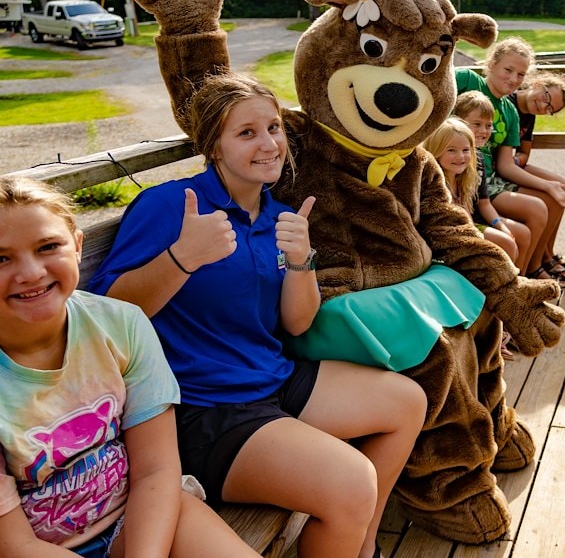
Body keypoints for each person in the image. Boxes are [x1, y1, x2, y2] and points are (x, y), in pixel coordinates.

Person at [89, 74, 427, 558]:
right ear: (214, 147)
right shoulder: (170, 207)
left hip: (268, 379)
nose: (269, 144)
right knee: (351, 481)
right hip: (200, 410)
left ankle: (362, 543)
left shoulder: (276, 215)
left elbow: (296, 324)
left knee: (406, 401)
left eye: (273, 128)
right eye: (246, 133)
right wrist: (182, 258)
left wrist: (300, 259)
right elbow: (107, 319)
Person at [0, 176, 256, 557]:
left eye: (48, 246)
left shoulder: (121, 324)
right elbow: (15, 543)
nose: (31, 272)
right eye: (1, 258)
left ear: (77, 246)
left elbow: (156, 469)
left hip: (134, 515)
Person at [456, 37, 565, 283]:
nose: (513, 79)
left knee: (549, 198)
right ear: (491, 64)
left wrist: (548, 185)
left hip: (488, 178)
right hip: (457, 172)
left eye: (520, 74)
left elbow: (505, 165)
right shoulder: (468, 80)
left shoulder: (510, 112)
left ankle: (530, 269)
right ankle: (527, 274)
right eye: (508, 70)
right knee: (537, 207)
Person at [452, 91, 561, 286]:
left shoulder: (478, 160)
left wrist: (499, 224)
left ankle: (520, 284)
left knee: (521, 233)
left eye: (488, 126)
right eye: (476, 124)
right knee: (508, 241)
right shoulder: (452, 158)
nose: (484, 131)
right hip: (461, 224)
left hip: (478, 216)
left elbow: (484, 203)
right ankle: (506, 291)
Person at [423, 116, 530, 270]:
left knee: (508, 242)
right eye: (451, 150)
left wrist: (493, 227)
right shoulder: (433, 182)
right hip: (444, 237)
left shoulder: (465, 177)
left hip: (468, 227)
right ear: (437, 151)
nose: (460, 157)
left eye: (466, 150)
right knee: (503, 244)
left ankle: (510, 283)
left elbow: (468, 214)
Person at [507, 70, 565, 281]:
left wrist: (514, 160)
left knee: (562, 185)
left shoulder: (529, 115)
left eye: (549, 109)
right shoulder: (508, 103)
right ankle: (534, 263)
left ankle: (547, 253)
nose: (542, 107)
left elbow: (524, 154)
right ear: (537, 83)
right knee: (550, 196)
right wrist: (512, 161)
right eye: (546, 98)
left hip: (511, 164)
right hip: (499, 169)